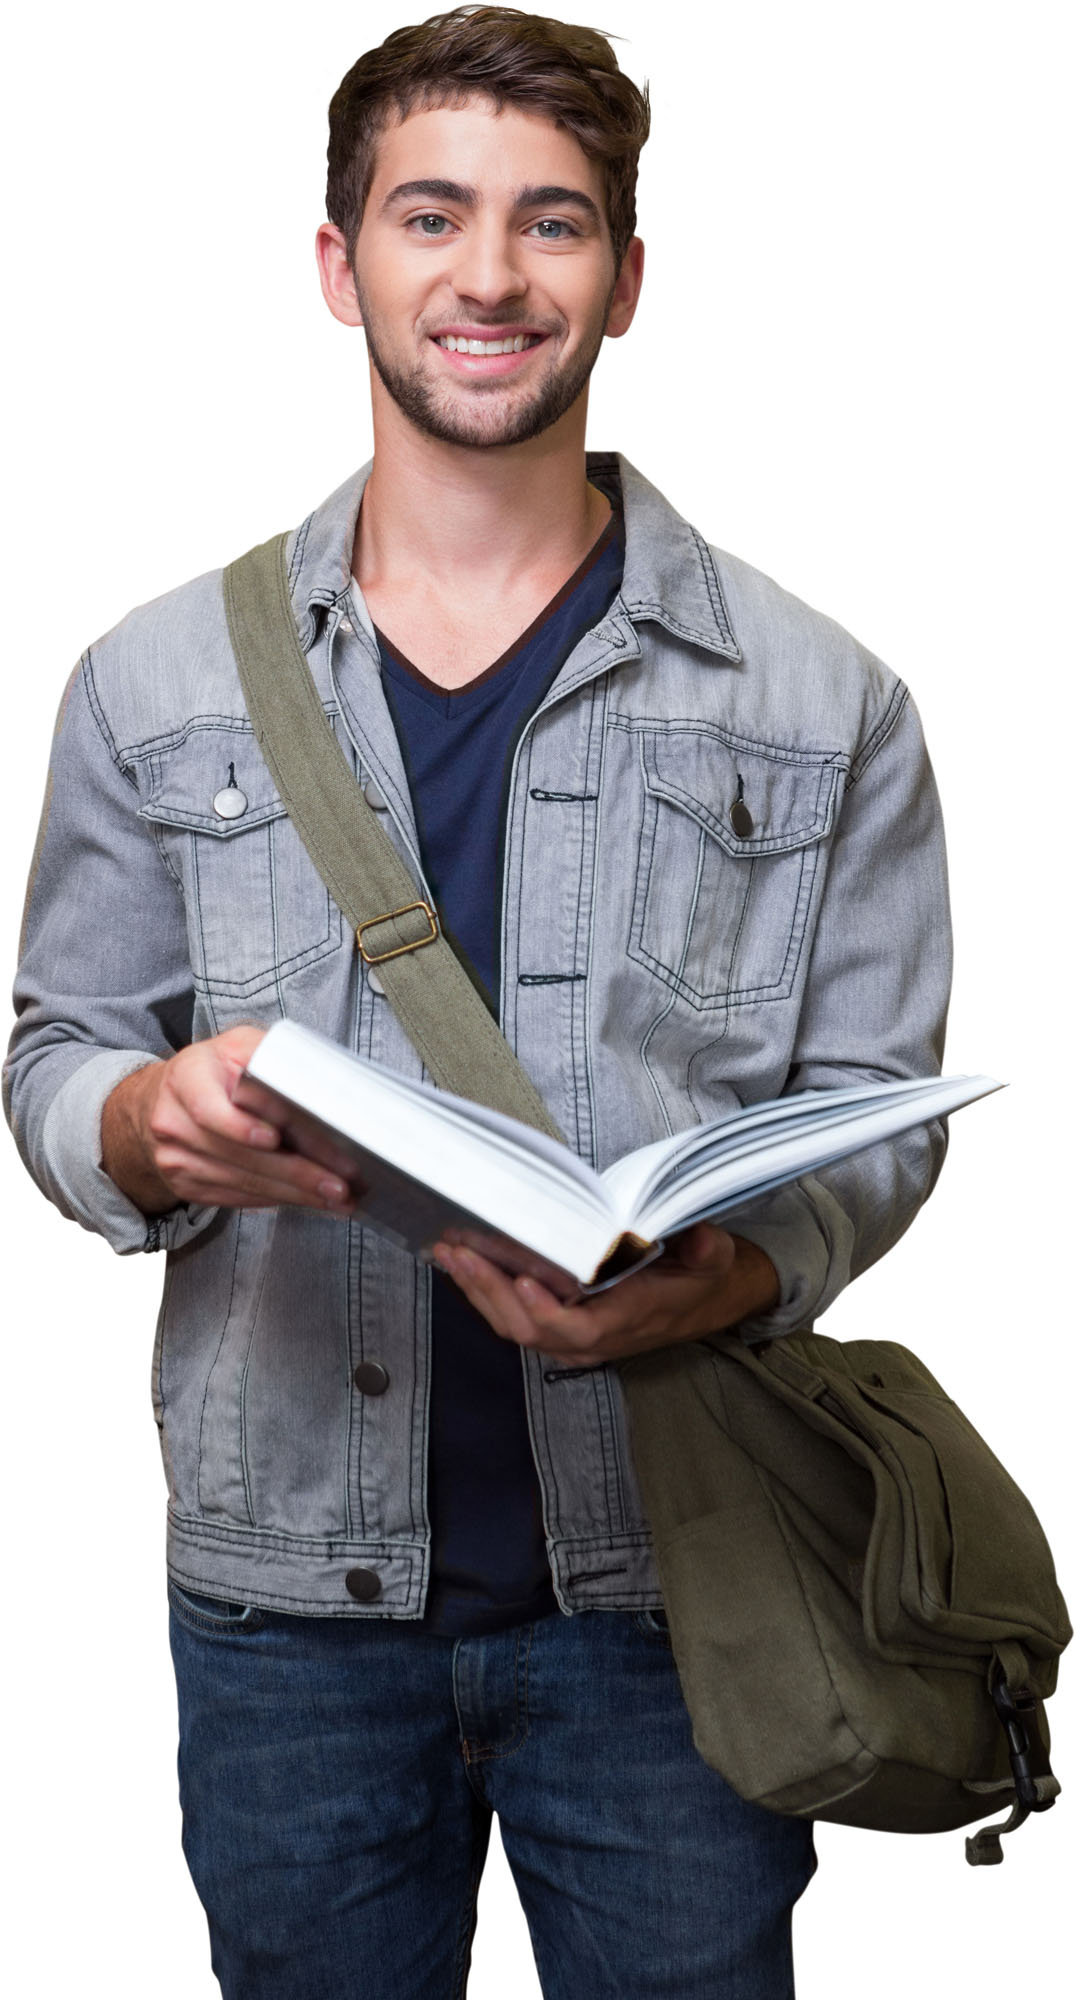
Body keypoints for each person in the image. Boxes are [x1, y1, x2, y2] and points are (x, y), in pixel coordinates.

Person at [4, 6, 953, 1996]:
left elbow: (875, 1106)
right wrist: (140, 1120)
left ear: (627, 275)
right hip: (286, 1618)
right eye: (431, 216)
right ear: (338, 262)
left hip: (675, 1600)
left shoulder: (825, 700)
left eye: (554, 220)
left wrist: (729, 1271)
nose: (492, 274)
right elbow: (57, 1051)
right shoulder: (152, 681)